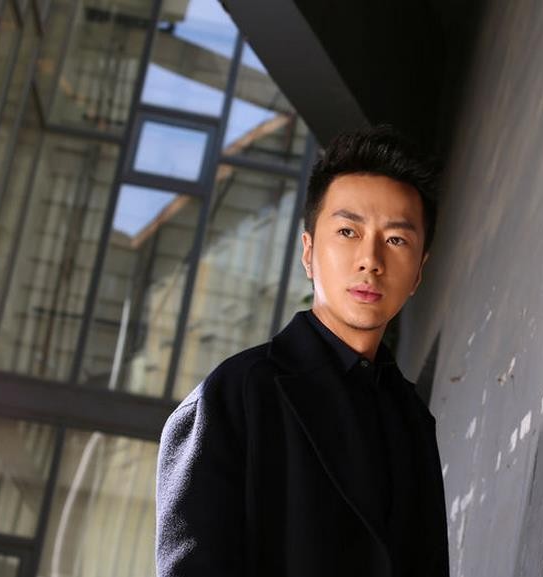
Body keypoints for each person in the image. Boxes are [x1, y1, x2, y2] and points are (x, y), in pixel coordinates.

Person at [155, 125, 449, 577]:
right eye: (348, 231)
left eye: (396, 240)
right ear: (308, 252)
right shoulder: (233, 396)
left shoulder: (413, 418)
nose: (370, 260)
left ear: (419, 271)